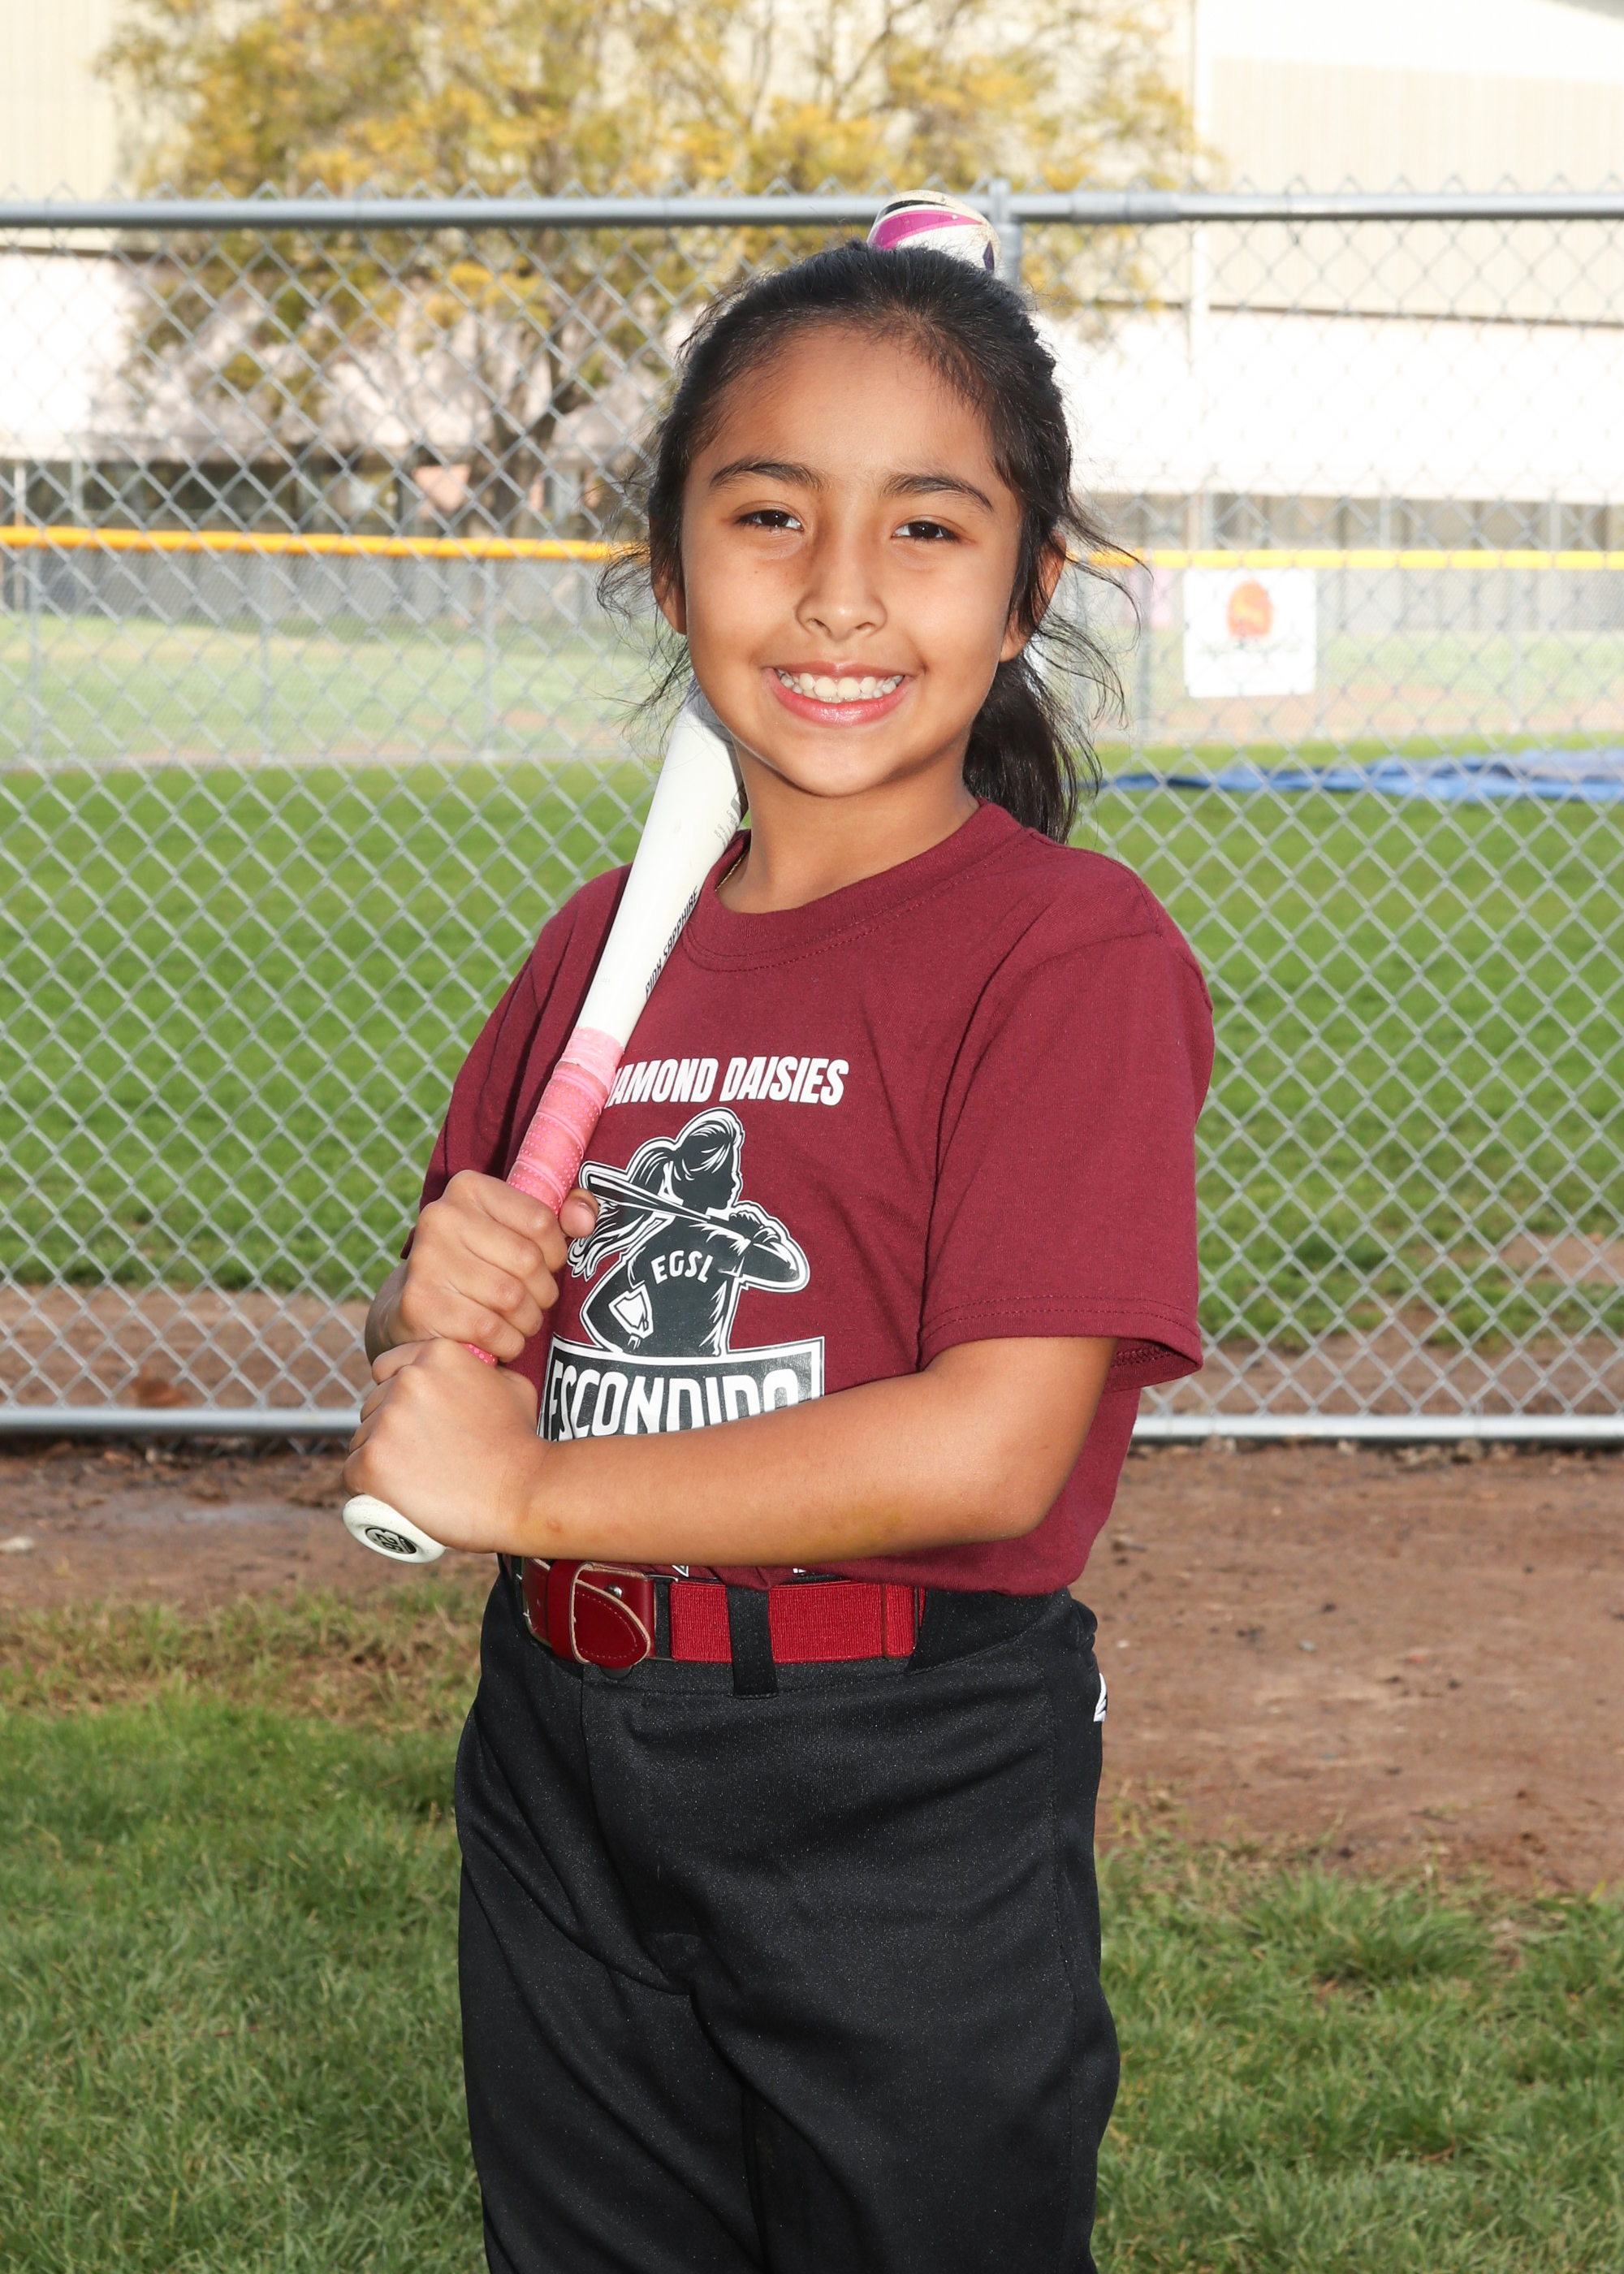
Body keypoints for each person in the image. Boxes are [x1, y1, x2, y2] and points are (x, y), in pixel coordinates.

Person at [344, 223, 1213, 2274]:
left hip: (895, 1770)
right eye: (766, 514)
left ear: (1027, 590)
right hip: (562, 1737)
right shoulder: (606, 940)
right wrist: (426, 1307)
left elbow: (992, 1444)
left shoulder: (1062, 951)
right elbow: (462, 1356)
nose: (838, 592)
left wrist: (532, 1491)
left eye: (926, 526)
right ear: (669, 567)